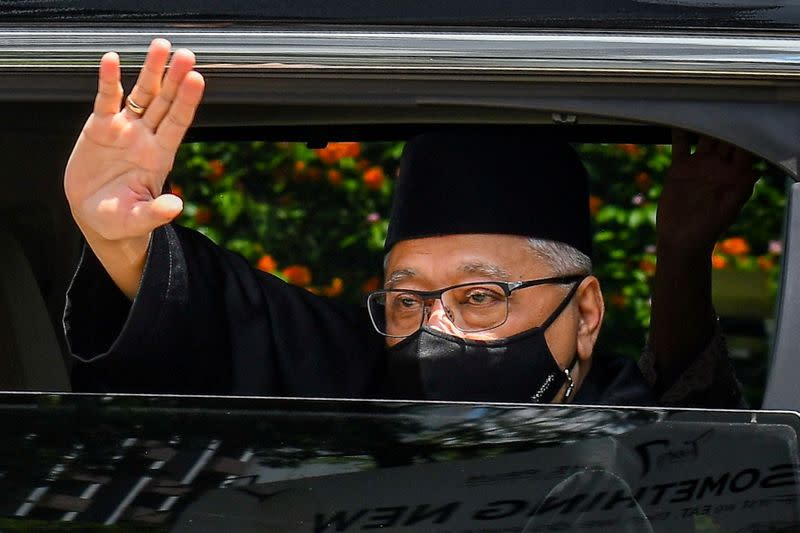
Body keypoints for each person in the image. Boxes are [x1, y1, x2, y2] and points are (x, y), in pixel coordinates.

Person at [63, 40, 755, 406]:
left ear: (587, 312)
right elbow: (222, 314)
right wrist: (123, 240)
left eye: (481, 297)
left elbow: (713, 432)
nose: (433, 332)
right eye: (407, 298)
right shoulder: (356, 369)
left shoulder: (637, 424)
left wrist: (681, 252)